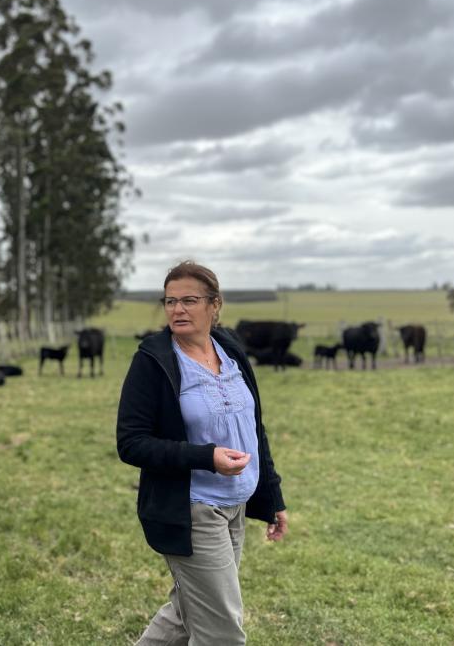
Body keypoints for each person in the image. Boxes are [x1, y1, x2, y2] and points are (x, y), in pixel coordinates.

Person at [117, 261, 287, 645]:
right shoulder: (154, 359)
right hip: (191, 509)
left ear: (215, 305)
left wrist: (271, 496)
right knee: (222, 633)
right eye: (170, 301)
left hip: (236, 506)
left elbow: (253, 428)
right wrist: (205, 457)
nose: (178, 309)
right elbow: (131, 442)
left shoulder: (230, 349)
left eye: (189, 300)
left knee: (185, 613)